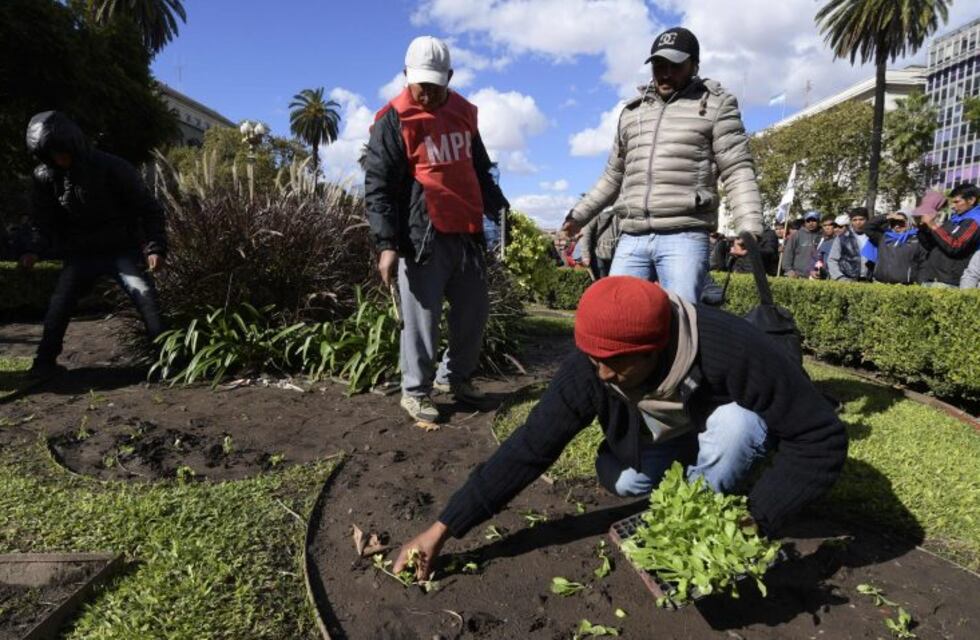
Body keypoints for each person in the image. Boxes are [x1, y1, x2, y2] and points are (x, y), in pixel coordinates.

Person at [392, 276, 847, 579]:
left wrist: (755, 520)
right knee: (627, 480)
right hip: (658, 438)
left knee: (738, 428)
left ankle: (702, 519)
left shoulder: (732, 348)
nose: (604, 375)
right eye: (595, 361)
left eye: (616, 364)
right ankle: (686, 483)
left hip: (713, 424)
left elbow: (819, 437)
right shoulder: (591, 367)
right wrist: (443, 529)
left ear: (657, 347)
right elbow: (529, 449)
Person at [558, 27, 762, 303]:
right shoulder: (632, 113)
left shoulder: (716, 105)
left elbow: (737, 169)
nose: (665, 72)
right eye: (658, 64)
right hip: (632, 234)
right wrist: (577, 217)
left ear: (694, 65)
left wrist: (749, 228)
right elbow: (612, 177)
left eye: (675, 65)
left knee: (682, 321)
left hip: (685, 234)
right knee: (616, 314)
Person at [364, 36, 509, 422]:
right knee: (422, 321)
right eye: (419, 83)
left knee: (473, 314)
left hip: (467, 231)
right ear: (406, 75)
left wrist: (501, 211)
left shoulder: (464, 113)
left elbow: (480, 168)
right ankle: (415, 391)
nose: (425, 92)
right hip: (422, 236)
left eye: (434, 84)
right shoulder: (393, 118)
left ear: (450, 77)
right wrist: (387, 243)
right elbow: (379, 185)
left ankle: (455, 380)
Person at [19, 111, 167, 378]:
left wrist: (154, 247)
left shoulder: (113, 167)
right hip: (81, 253)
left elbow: (149, 208)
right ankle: (44, 362)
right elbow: (43, 220)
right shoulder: (45, 177)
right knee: (59, 303)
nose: (58, 158)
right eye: (50, 154)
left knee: (145, 297)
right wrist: (33, 248)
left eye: (61, 151)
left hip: (120, 249)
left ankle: (167, 361)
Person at [915, 185, 980, 288]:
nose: (953, 206)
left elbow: (956, 246)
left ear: (971, 200)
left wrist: (933, 225)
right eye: (952, 202)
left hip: (948, 282)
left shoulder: (975, 221)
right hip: (931, 278)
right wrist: (923, 228)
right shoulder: (954, 219)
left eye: (957, 202)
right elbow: (932, 246)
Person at [863, 209, 921, 285]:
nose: (897, 226)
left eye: (901, 223)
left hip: (904, 286)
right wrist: (887, 216)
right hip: (880, 284)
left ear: (909, 222)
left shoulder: (916, 239)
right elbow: (868, 227)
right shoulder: (884, 237)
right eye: (893, 223)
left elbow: (923, 263)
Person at [828, 207, 871, 282]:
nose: (858, 222)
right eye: (855, 220)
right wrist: (839, 278)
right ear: (851, 221)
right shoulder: (842, 238)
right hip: (848, 281)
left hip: (870, 281)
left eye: (861, 219)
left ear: (867, 220)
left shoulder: (874, 237)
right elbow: (832, 260)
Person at [579, 208, 617, 279]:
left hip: (614, 254)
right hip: (598, 254)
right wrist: (585, 255)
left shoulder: (621, 211)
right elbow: (585, 232)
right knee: (603, 282)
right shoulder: (597, 212)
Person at [780, 211, 822, 278]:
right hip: (797, 276)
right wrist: (789, 270)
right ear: (804, 222)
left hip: (817, 275)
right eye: (808, 221)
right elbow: (788, 253)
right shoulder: (796, 235)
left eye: (814, 220)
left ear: (818, 222)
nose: (811, 223)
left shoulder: (823, 235)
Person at [808, 214, 837, 279]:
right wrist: (812, 270)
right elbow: (815, 258)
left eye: (830, 225)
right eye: (825, 225)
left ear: (835, 225)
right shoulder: (819, 240)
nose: (827, 227)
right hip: (822, 277)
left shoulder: (841, 240)